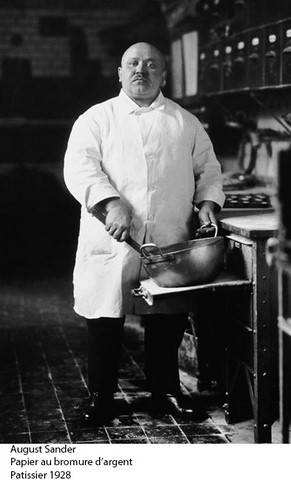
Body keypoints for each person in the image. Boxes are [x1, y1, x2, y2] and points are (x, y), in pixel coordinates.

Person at [64, 42, 225, 424]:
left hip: (169, 236)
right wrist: (109, 203)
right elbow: (79, 168)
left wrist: (207, 204)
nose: (142, 70)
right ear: (119, 73)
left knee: (166, 319)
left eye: (151, 64)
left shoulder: (184, 121)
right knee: (105, 317)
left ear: (164, 75)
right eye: (132, 64)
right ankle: (101, 395)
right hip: (113, 237)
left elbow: (210, 170)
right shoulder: (96, 119)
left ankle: (165, 392)